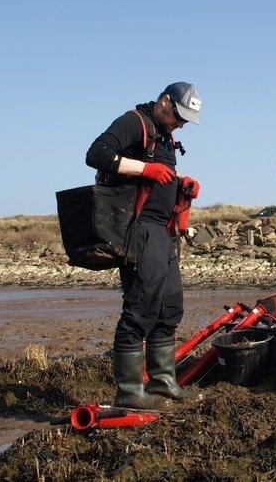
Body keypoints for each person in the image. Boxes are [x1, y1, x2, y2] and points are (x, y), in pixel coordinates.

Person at [85, 82, 204, 410]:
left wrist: (181, 185)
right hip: (138, 231)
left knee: (169, 306)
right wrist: (145, 168)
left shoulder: (165, 135)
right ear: (164, 101)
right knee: (141, 308)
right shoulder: (134, 122)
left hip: (163, 232)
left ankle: (164, 382)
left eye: (185, 120)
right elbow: (96, 154)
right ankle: (129, 391)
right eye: (178, 115)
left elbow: (160, 178)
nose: (181, 123)